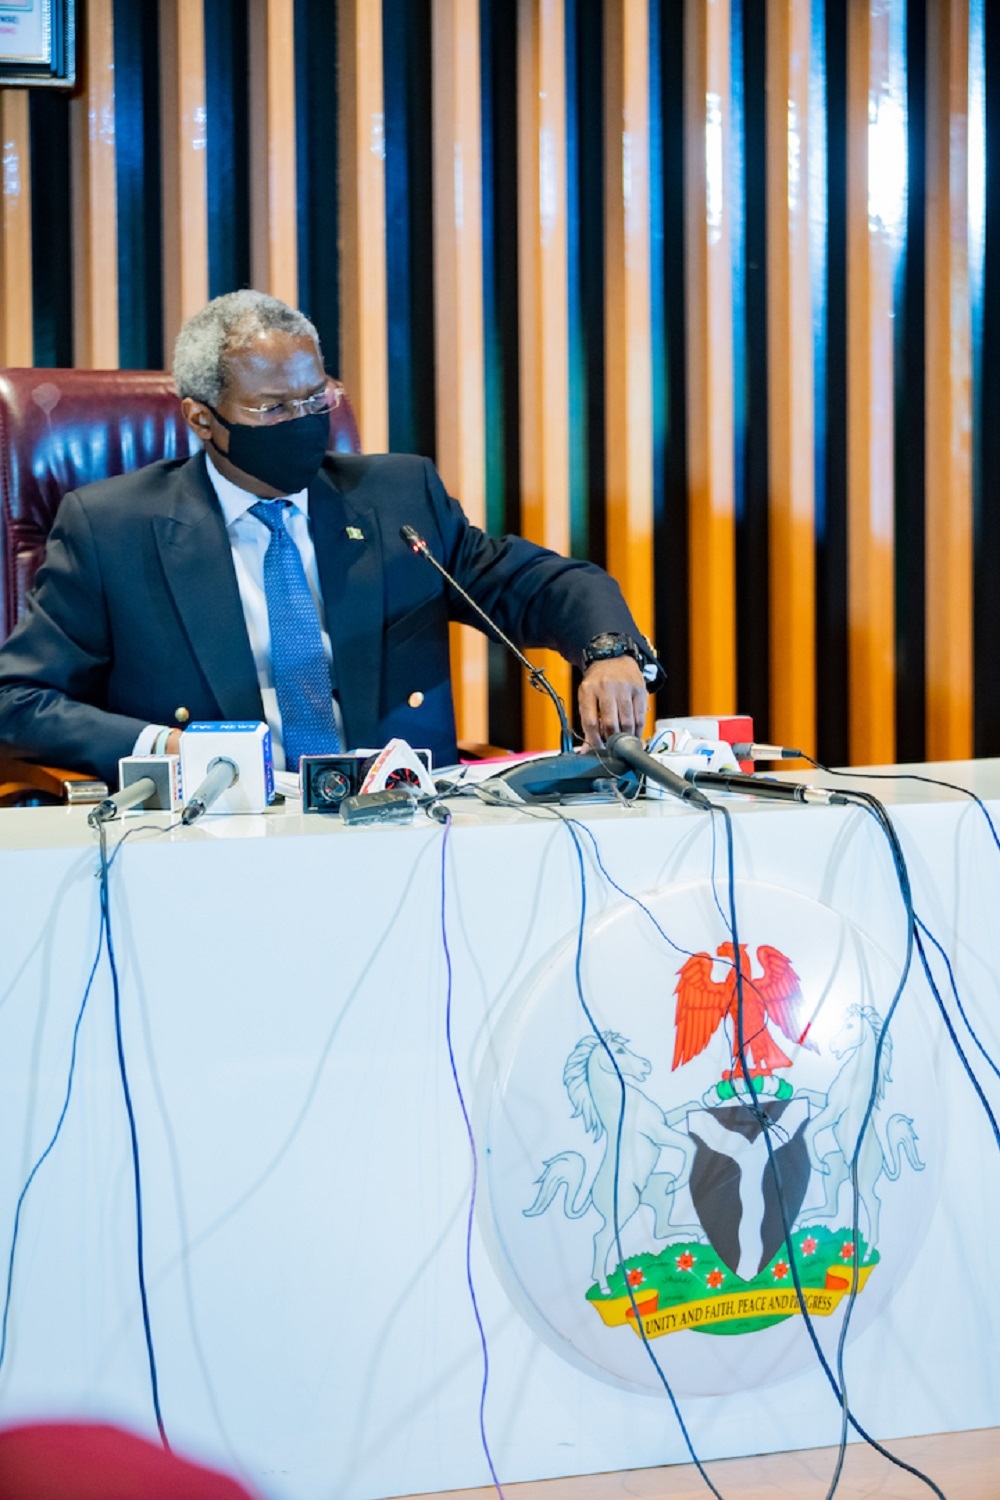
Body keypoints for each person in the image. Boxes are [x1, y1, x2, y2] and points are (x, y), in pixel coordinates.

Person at [0, 291, 659, 787]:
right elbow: (18, 701)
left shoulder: (397, 500)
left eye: (317, 399)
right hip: (220, 835)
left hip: (402, 829)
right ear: (202, 418)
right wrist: (162, 747)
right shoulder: (115, 528)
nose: (305, 422)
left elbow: (541, 584)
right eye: (274, 409)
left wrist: (608, 651)